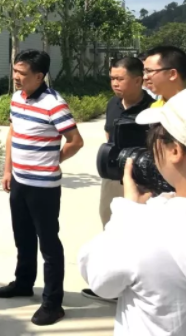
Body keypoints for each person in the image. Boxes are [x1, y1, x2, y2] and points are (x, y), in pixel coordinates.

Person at [78, 89, 186, 335]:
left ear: (175, 151)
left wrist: (127, 212)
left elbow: (99, 278)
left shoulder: (142, 229)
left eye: (155, 137)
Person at [0, 49, 84, 326]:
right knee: (22, 236)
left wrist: (53, 160)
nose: (16, 77)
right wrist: (8, 169)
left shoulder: (54, 104)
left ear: (39, 76)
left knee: (48, 243)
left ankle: (53, 303)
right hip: (19, 180)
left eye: (22, 73)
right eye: (15, 71)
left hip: (43, 186)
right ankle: (23, 283)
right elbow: (13, 133)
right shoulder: (16, 98)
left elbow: (75, 141)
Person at [81, 57, 154, 302]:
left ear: (138, 80)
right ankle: (111, 285)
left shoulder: (153, 110)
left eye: (120, 78)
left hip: (142, 180)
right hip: (113, 176)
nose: (114, 83)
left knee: (140, 231)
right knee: (110, 223)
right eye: (112, 78)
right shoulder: (112, 103)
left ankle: (140, 287)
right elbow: (108, 133)